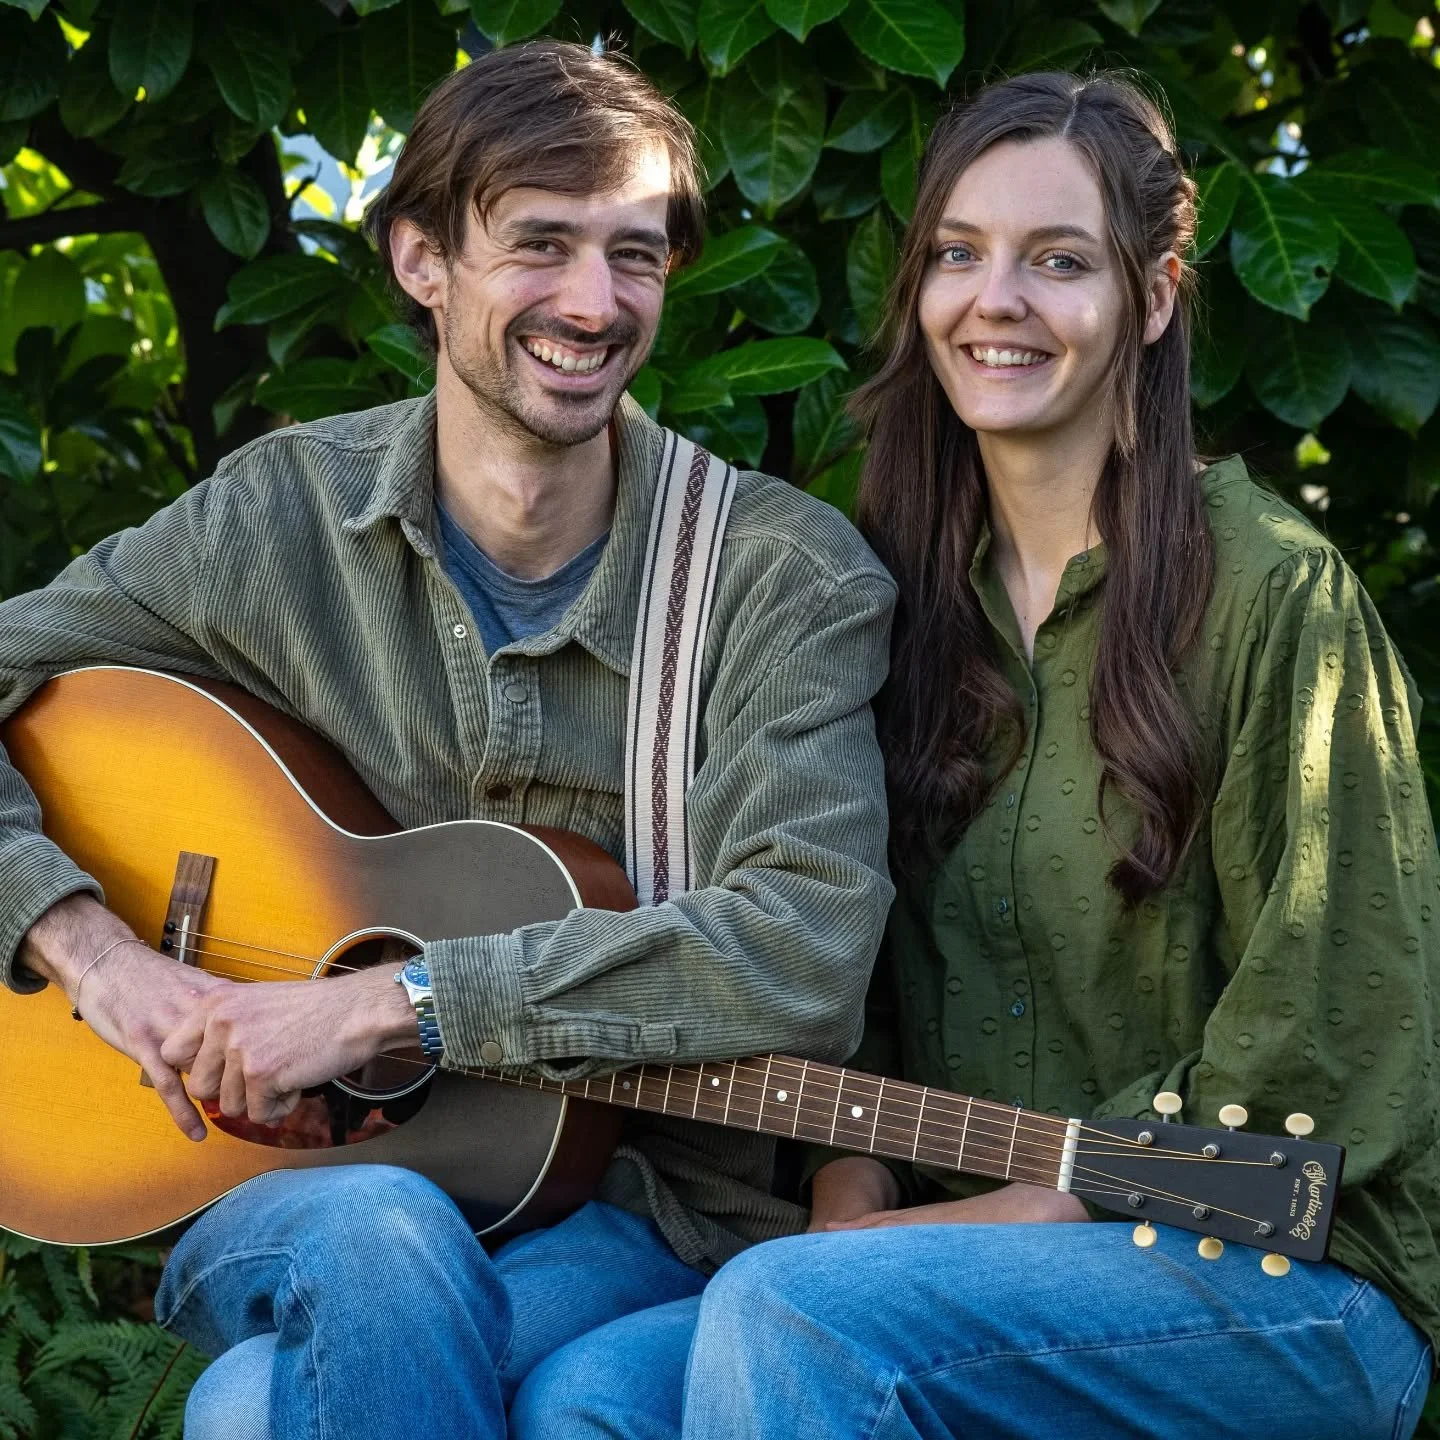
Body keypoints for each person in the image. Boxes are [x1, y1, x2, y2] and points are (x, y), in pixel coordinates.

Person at [516, 70, 1440, 1440]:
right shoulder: (889, 594)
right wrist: (851, 1187)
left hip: (1279, 1270)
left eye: (1058, 262)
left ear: (1158, 295)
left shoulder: (1272, 594)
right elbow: (854, 972)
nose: (993, 300)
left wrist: (1005, 1214)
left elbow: (1322, 1041)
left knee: (795, 1318)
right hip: (959, 1254)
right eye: (958, 254)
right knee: (591, 1395)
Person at [0, 41, 896, 1440]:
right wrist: (104, 962)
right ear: (422, 259)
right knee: (368, 1224)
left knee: (253, 1411)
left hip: (640, 1206)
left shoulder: (777, 579)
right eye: (541, 244)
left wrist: (374, 1007)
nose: (593, 305)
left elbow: (805, 947)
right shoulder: (286, 519)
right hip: (285, 1187)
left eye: (636, 257)